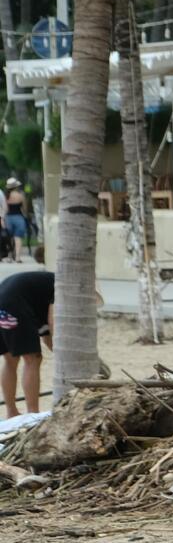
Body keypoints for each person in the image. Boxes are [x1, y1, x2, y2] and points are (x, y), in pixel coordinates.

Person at [0, 268, 54, 419]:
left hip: (3, 300)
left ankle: (11, 412)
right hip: (15, 302)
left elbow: (47, 335)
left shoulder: (44, 287)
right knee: (33, 359)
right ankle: (33, 414)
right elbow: (53, 322)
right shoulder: (64, 288)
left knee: (10, 359)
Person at [3, 179, 26, 261]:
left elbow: (5, 209)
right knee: (18, 238)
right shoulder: (20, 195)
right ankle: (18, 257)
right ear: (16, 186)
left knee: (9, 238)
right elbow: (24, 208)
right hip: (19, 217)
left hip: (8, 218)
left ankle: (9, 256)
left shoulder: (6, 196)